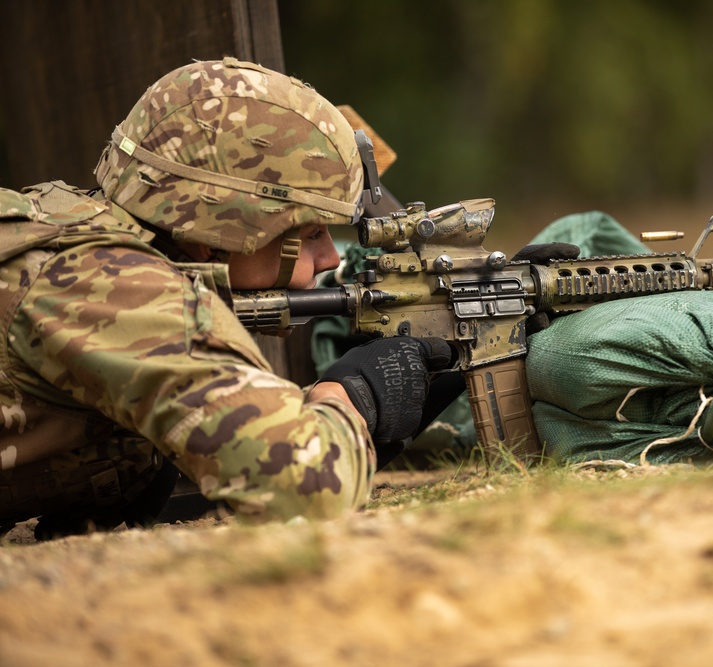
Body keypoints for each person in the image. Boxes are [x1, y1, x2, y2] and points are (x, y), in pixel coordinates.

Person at [0, 58, 452, 540]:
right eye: (313, 232)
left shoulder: (79, 243)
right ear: (222, 230)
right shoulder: (109, 284)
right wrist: (351, 399)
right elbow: (308, 485)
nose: (327, 259)